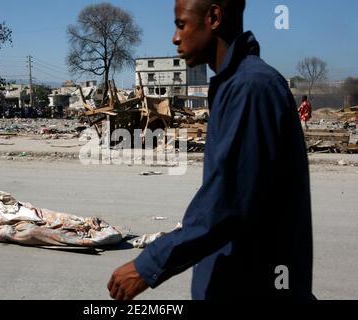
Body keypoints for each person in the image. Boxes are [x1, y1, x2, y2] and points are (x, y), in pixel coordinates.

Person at [108, 0, 314, 300]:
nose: (175, 38)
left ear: (214, 17)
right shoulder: (233, 85)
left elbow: (227, 203)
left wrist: (149, 264)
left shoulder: (251, 88)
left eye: (181, 24)